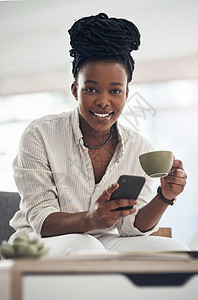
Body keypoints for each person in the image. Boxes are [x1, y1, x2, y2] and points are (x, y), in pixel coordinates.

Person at [9, 13, 189, 256]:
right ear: (75, 90)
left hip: (103, 240)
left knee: (174, 251)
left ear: (126, 93)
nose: (103, 102)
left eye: (115, 91)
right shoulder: (40, 134)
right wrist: (91, 219)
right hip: (41, 241)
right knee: (87, 247)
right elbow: (42, 219)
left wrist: (165, 196)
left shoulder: (139, 147)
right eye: (91, 89)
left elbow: (131, 227)